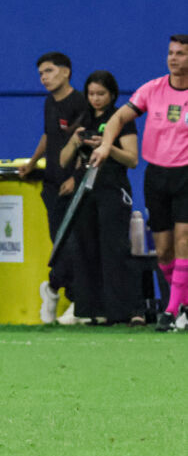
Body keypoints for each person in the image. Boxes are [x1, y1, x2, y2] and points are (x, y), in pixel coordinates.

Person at [90, 34, 188, 332]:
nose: (174, 59)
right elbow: (118, 118)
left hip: (186, 174)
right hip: (156, 175)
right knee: (164, 251)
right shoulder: (152, 89)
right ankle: (183, 304)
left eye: (181, 54)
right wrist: (106, 145)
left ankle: (171, 311)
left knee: (184, 240)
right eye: (171, 53)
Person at [60, 71, 140, 324]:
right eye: (91, 94)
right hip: (85, 192)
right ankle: (93, 311)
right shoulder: (82, 119)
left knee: (114, 249)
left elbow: (132, 159)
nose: (95, 99)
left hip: (112, 188)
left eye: (101, 94)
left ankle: (125, 311)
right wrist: (75, 142)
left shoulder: (120, 119)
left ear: (112, 94)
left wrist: (106, 147)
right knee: (86, 249)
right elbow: (63, 160)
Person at [18, 52, 90, 324]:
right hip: (51, 184)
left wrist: (76, 177)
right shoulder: (49, 103)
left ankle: (70, 297)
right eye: (40, 74)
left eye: (48, 71)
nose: (44, 78)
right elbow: (49, 135)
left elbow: (85, 142)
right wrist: (32, 162)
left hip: (74, 187)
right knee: (59, 245)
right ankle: (56, 290)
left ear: (66, 72)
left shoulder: (80, 103)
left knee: (74, 245)